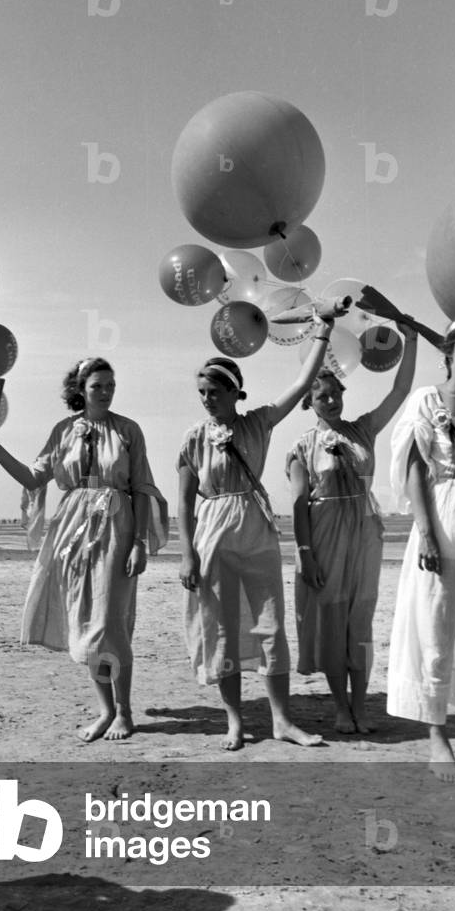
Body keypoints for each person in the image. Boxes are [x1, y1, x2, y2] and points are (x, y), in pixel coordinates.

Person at [0, 357, 168, 742]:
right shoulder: (63, 431)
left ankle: (125, 713)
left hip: (117, 526)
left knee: (110, 623)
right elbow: (33, 476)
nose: (106, 391)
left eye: (111, 384)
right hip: (72, 532)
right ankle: (106, 710)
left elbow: (142, 488)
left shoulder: (128, 430)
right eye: (98, 385)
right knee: (84, 622)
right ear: (80, 389)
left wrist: (138, 544)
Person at [178, 313, 341, 752]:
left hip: (257, 535)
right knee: (224, 631)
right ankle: (234, 721)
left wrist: (321, 330)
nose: (207, 399)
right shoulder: (194, 438)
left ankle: (282, 721)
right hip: (212, 536)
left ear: (235, 391)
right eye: (202, 393)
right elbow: (184, 501)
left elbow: (303, 379)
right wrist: (187, 554)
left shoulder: (258, 423)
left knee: (270, 627)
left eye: (214, 391)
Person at [287, 325, 417, 734]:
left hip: (364, 534)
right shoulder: (302, 447)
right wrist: (305, 555)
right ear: (309, 402)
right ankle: (340, 708)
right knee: (331, 623)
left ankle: (360, 706)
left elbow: (399, 393)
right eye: (322, 396)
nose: (331, 400)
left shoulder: (363, 430)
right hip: (323, 538)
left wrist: (410, 342)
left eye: (336, 393)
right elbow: (296, 504)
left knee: (360, 621)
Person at [388, 316, 455, 783]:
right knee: (436, 627)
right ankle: (437, 740)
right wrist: (425, 533)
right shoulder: (428, 400)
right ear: (450, 350)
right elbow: (415, 471)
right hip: (445, 518)